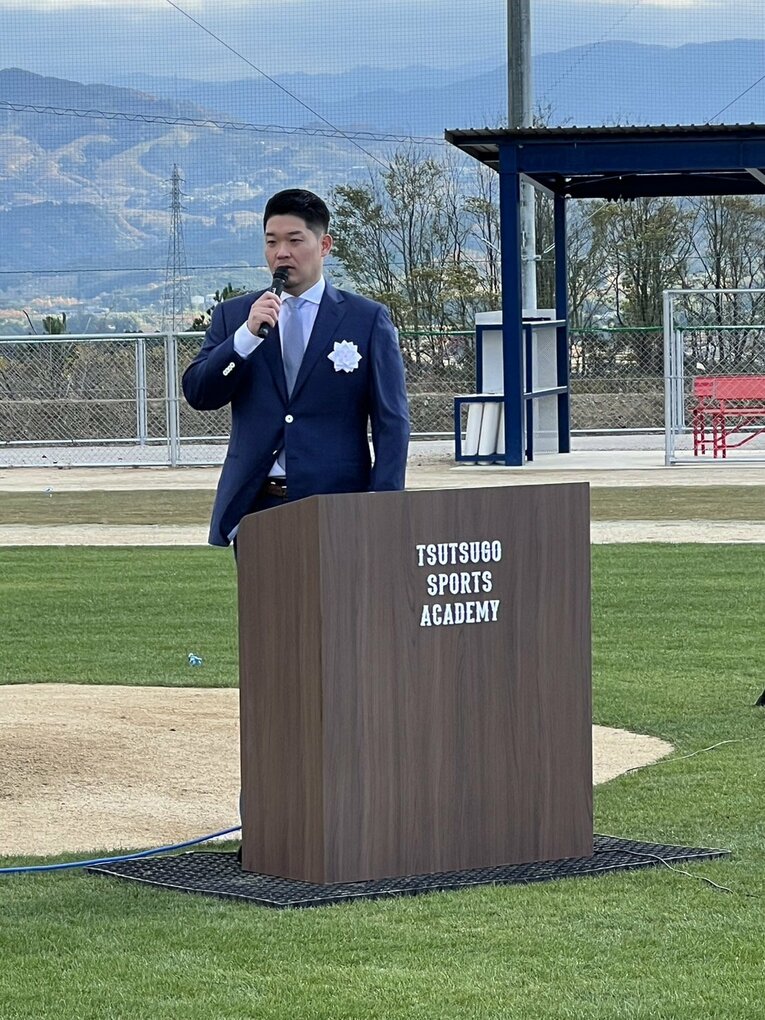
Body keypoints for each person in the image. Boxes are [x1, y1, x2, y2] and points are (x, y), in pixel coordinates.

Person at [182, 188, 410, 546]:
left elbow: (391, 421)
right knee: (266, 604)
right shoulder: (237, 316)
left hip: (338, 503)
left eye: (294, 240)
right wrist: (243, 340)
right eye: (271, 242)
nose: (281, 253)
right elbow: (199, 393)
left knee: (338, 603)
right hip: (256, 507)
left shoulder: (365, 319)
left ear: (324, 245)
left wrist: (384, 504)